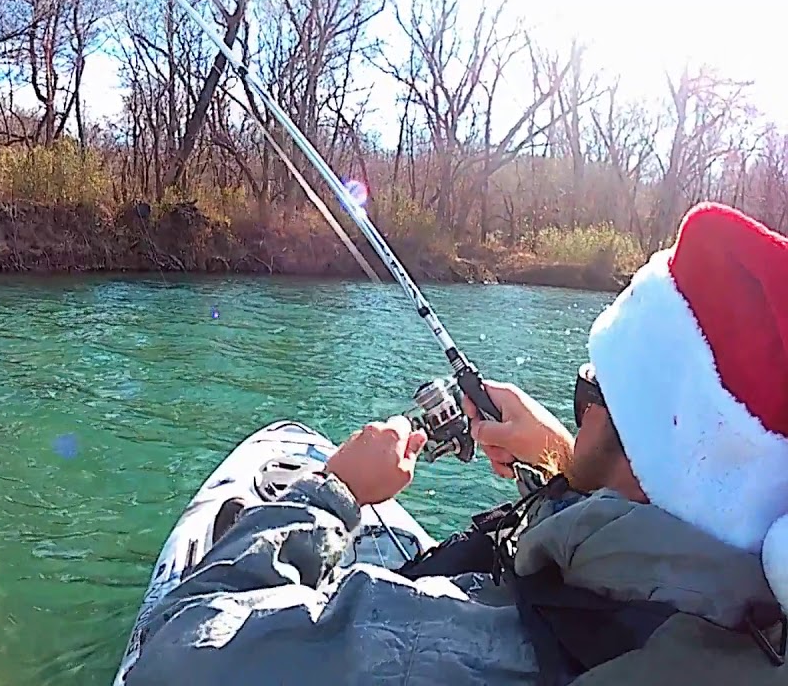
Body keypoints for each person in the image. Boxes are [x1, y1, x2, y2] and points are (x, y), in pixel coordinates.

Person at [123, 202, 788, 686]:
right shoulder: (754, 625)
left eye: (593, 391)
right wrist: (563, 459)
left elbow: (174, 652)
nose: (578, 401)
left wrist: (336, 491)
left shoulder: (449, 652)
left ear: (647, 450)